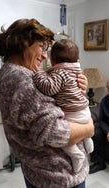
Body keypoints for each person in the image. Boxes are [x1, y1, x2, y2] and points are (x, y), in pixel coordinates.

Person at [0, 18, 94, 188]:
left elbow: (40, 109)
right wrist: (89, 128)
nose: (45, 55)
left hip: (38, 170)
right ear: (24, 43)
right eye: (42, 46)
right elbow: (56, 133)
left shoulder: (11, 72)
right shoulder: (23, 80)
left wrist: (74, 89)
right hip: (58, 176)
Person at [33, 39, 93, 173]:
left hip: (72, 113)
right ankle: (88, 139)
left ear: (53, 61)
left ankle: (77, 155)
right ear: (77, 59)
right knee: (83, 128)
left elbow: (49, 88)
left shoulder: (60, 73)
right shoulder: (77, 70)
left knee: (65, 140)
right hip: (84, 109)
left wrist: (39, 73)